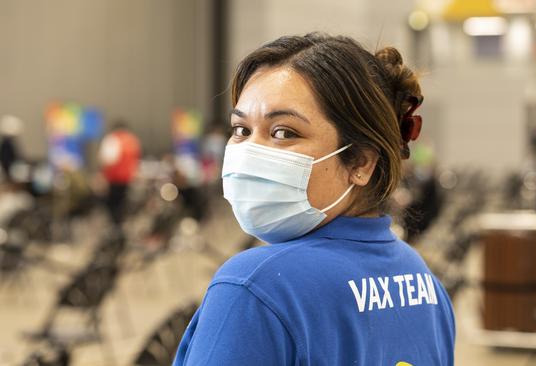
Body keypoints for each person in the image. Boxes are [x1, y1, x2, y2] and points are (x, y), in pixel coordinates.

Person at [174, 33, 455, 365]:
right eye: (241, 130)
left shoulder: (257, 287)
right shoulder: (425, 283)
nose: (249, 152)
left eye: (283, 132)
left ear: (361, 162)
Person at [98, 121, 141, 225]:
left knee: (113, 205)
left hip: (114, 179)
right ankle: (121, 225)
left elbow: (107, 160)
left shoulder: (112, 139)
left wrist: (102, 176)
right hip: (128, 179)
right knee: (123, 204)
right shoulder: (133, 140)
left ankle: (116, 228)